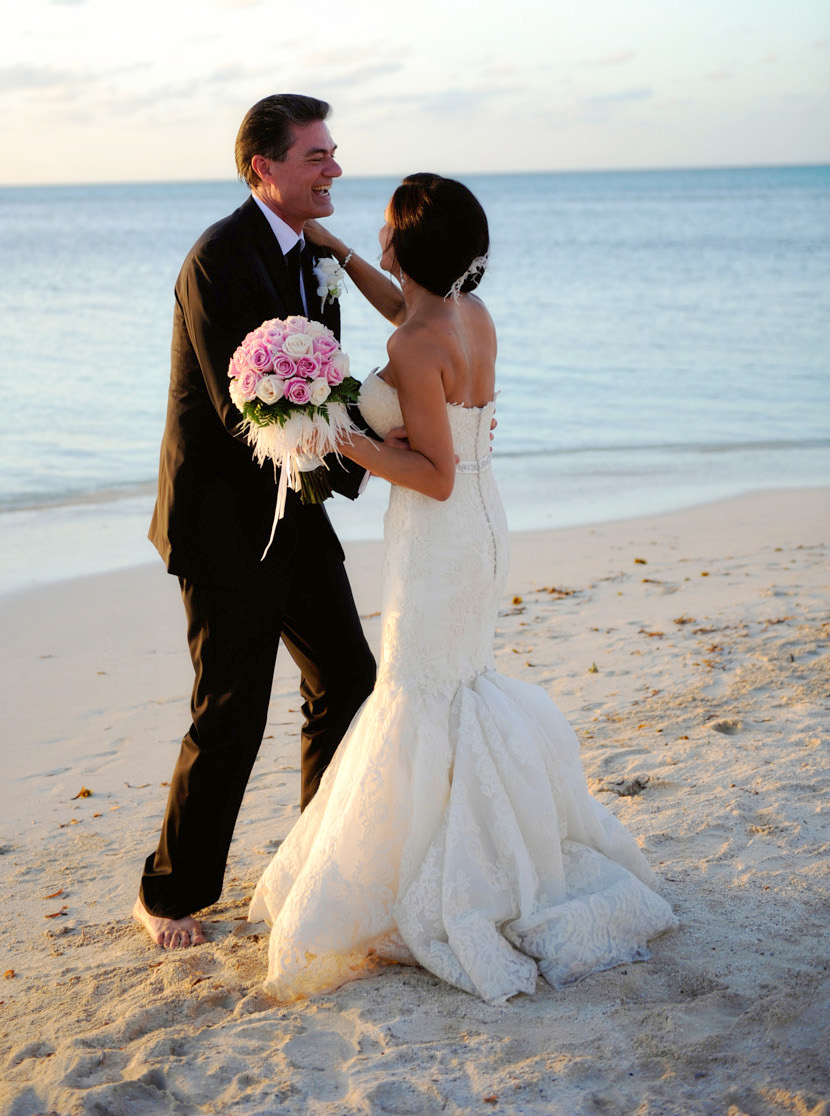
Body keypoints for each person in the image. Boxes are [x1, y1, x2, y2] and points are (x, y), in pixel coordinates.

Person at [249, 173, 676, 1003]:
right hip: (487, 526)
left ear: (410, 246)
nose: (373, 239)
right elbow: (405, 313)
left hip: (440, 535)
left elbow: (433, 476)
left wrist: (343, 435)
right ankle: (477, 845)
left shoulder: (416, 345)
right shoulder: (466, 316)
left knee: (418, 691)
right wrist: (336, 252)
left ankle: (438, 878)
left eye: (381, 232)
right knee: (458, 687)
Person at [133, 95, 377, 951]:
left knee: (348, 677)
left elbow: (328, 382)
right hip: (224, 520)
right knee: (231, 708)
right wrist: (388, 448)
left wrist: (402, 436)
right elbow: (253, 414)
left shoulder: (314, 256)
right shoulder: (217, 260)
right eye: (316, 156)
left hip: (296, 508)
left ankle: (319, 858)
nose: (334, 168)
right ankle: (170, 894)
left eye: (332, 152)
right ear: (262, 167)